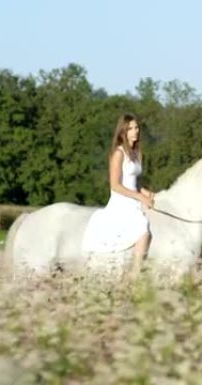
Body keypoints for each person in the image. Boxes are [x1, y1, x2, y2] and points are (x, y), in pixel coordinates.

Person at [82, 113, 155, 280]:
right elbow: (115, 185)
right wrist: (139, 196)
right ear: (123, 131)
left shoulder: (137, 153)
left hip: (134, 198)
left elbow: (135, 182)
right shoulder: (118, 153)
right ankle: (135, 274)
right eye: (130, 128)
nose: (135, 131)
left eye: (137, 128)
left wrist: (146, 193)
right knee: (143, 229)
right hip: (121, 201)